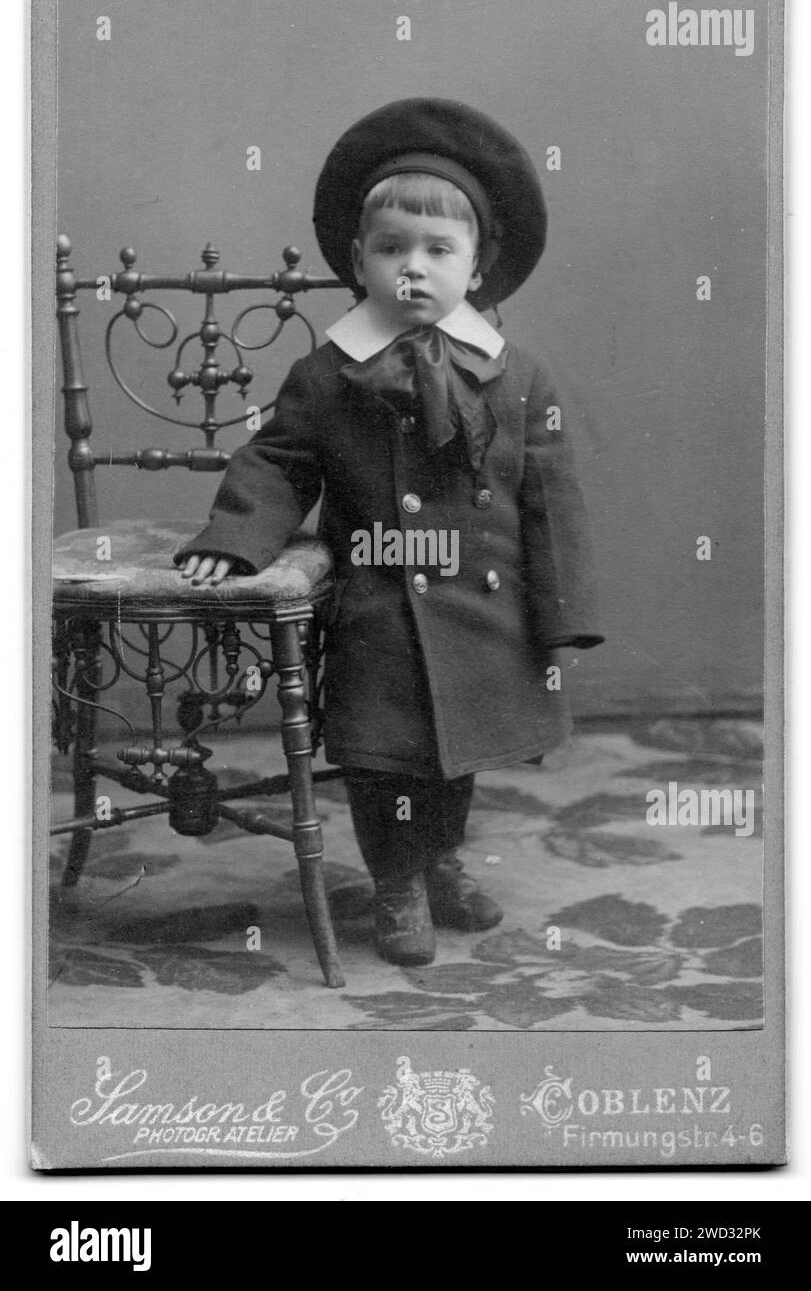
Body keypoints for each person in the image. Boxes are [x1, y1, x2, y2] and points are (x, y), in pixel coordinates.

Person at [174, 97, 604, 967]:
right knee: (383, 760)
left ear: (477, 268)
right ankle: (396, 882)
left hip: (486, 608)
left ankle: (440, 861)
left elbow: (551, 497)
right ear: (358, 261)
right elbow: (279, 462)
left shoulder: (515, 375)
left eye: (437, 250)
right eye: (390, 248)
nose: (412, 269)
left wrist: (562, 614)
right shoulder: (330, 371)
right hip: (381, 599)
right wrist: (237, 534)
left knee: (457, 749)